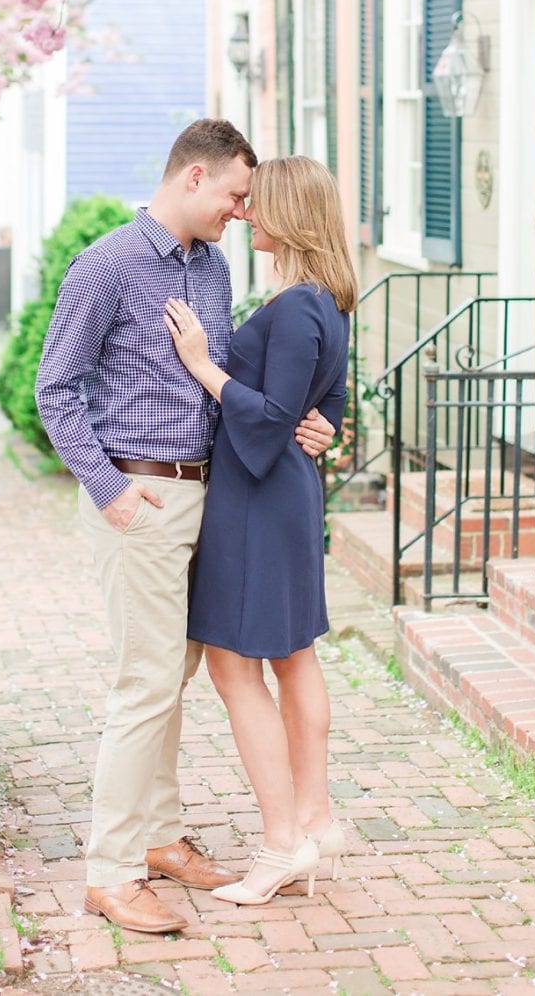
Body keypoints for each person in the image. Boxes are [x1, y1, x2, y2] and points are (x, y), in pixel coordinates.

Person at [35, 119, 336, 935]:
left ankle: (161, 836)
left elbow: (242, 380)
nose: (243, 211)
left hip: (215, 498)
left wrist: (311, 422)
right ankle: (111, 869)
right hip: (141, 500)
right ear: (193, 178)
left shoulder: (213, 268)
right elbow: (55, 388)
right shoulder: (106, 266)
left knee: (180, 672)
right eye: (237, 194)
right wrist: (110, 492)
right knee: (144, 683)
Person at [164, 154, 355, 905]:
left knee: (234, 666)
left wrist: (203, 365)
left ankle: (282, 847)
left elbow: (271, 418)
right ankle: (317, 818)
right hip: (289, 495)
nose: (244, 214)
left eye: (256, 204)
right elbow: (329, 396)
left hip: (257, 498)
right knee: (294, 657)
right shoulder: (329, 302)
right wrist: (328, 427)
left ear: (289, 214)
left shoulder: (294, 307)